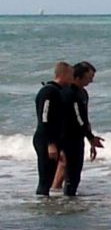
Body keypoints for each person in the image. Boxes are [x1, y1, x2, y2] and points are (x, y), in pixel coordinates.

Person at [59, 61, 104, 197]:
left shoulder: (83, 93)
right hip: (66, 137)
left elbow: (84, 118)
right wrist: (90, 137)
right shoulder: (68, 93)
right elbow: (78, 119)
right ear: (78, 77)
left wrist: (90, 140)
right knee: (70, 173)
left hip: (78, 137)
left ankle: (68, 199)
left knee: (75, 173)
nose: (91, 81)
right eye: (89, 77)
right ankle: (66, 200)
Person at [33, 61, 72, 196]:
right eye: (71, 74)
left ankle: (47, 206)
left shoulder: (59, 91)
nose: (73, 78)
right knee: (45, 179)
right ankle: (42, 208)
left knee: (49, 178)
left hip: (54, 139)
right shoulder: (49, 92)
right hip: (45, 139)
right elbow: (45, 118)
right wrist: (50, 143)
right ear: (64, 74)